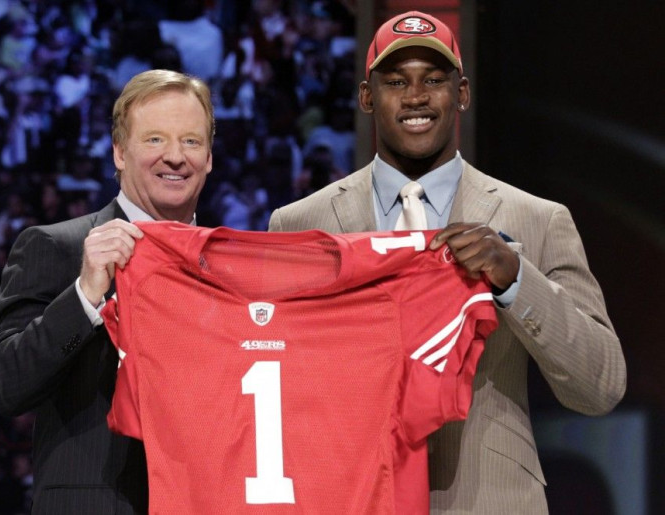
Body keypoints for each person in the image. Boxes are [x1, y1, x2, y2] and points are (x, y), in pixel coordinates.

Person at [268, 10, 626, 514]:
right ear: (367, 98)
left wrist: (518, 281)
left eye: (434, 80)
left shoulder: (537, 220)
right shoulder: (299, 224)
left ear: (461, 93)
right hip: (348, 496)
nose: (416, 97)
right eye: (396, 82)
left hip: (488, 498)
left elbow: (602, 384)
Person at [0, 69, 215, 514]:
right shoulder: (57, 247)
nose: (175, 157)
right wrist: (84, 296)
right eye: (154, 140)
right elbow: (7, 386)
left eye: (191, 141)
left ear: (209, 157)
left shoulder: (224, 265)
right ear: (119, 153)